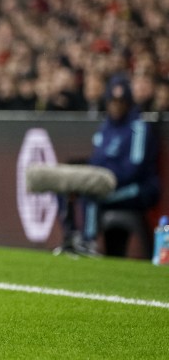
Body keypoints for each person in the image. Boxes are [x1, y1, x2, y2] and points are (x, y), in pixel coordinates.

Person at [58, 75, 161, 256]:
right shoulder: (106, 126)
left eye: (121, 101)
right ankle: (71, 237)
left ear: (128, 102)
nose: (116, 105)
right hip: (107, 182)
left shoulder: (138, 128)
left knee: (93, 194)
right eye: (112, 101)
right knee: (65, 187)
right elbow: (97, 160)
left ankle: (88, 242)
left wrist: (103, 180)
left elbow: (134, 168)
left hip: (137, 189)